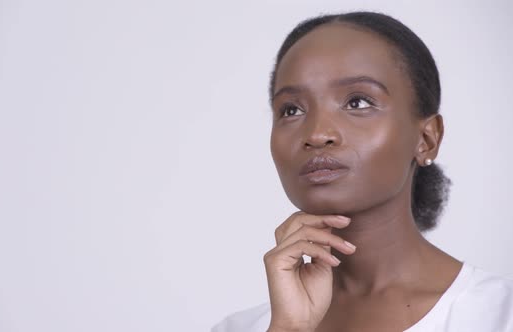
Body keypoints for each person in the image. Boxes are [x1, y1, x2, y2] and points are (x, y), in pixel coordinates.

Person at [212, 11, 513, 332]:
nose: (316, 134)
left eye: (358, 102)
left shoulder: (499, 315)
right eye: (292, 109)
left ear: (426, 139)